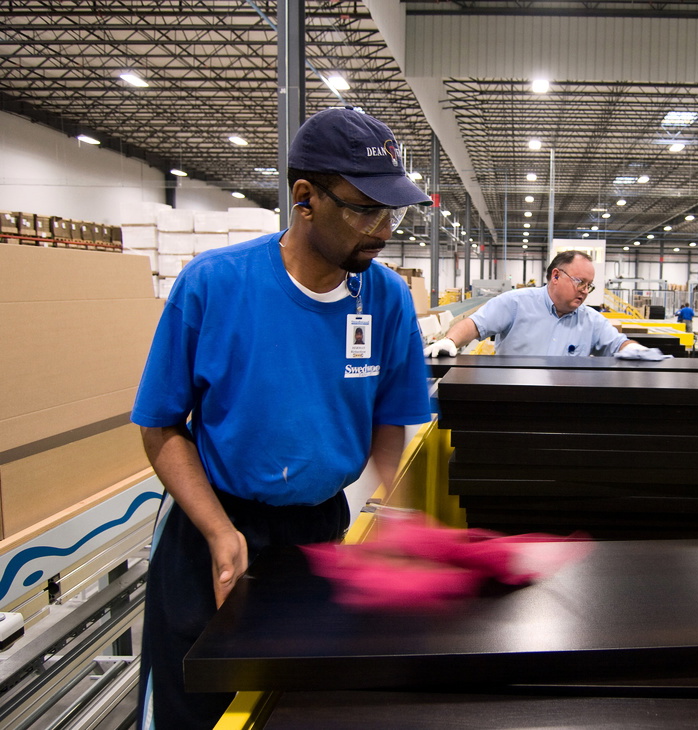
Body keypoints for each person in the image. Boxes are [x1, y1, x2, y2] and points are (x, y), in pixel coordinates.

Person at [130, 107, 432, 730]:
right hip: (210, 526)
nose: (382, 230)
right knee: (196, 697)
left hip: (317, 532)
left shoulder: (387, 297)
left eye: (392, 214)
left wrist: (393, 510)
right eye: (365, 210)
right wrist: (219, 532)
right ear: (304, 199)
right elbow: (161, 427)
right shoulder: (214, 285)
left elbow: (390, 420)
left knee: (295, 705)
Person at [424, 250, 651, 358]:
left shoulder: (591, 320)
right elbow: (474, 325)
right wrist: (450, 341)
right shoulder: (515, 303)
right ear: (555, 276)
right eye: (580, 282)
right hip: (510, 399)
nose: (584, 290)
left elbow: (617, 344)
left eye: (589, 285)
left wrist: (633, 348)